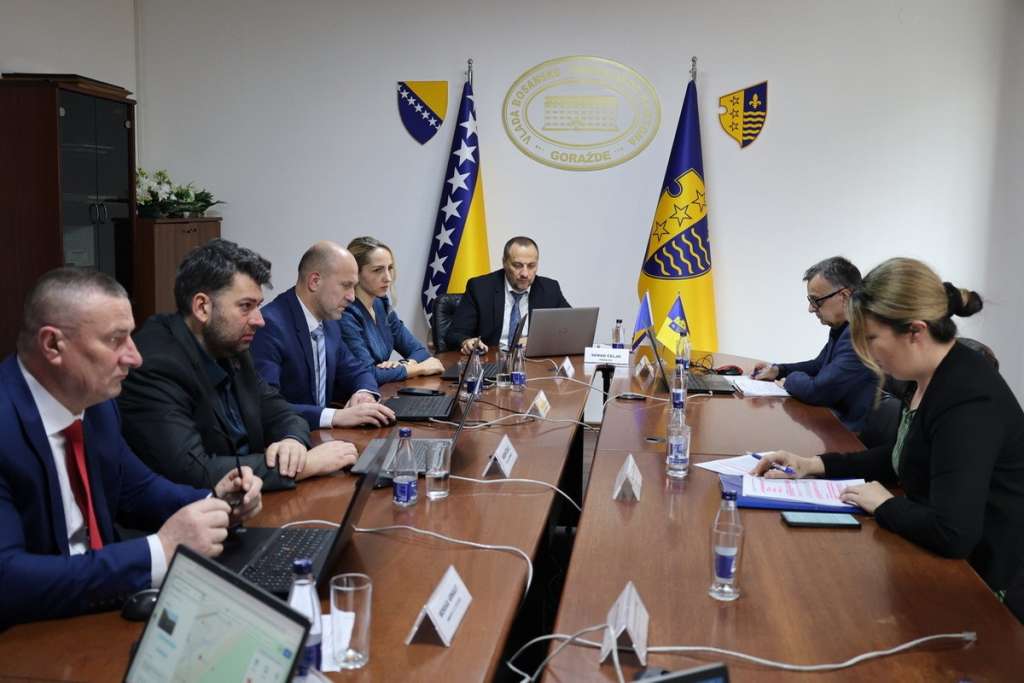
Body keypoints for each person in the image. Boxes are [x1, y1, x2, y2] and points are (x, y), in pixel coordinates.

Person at [0, 268, 263, 628]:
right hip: (29, 632)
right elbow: (8, 579)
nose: (135, 357)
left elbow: (136, 489)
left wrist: (215, 503)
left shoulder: (97, 405)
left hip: (100, 609)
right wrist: (159, 551)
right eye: (115, 340)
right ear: (52, 345)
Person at [753, 258, 1024, 594]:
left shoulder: (967, 399)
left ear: (915, 331)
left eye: (871, 338)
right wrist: (813, 465)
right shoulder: (925, 377)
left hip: (988, 585)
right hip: (942, 560)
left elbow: (954, 533)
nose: (864, 351)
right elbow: (903, 454)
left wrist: (885, 504)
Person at [119, 239, 356, 492]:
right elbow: (192, 471)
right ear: (202, 307)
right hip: (194, 510)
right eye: (245, 306)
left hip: (249, 500)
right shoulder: (155, 364)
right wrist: (304, 465)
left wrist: (292, 442)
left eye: (258, 306)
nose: (259, 320)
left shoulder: (230, 345)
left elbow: (281, 412)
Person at [251, 240, 396, 428]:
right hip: (286, 439)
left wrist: (364, 394)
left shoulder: (329, 321)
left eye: (354, 287)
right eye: (346, 285)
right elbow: (266, 407)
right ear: (314, 282)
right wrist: (334, 416)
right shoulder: (270, 325)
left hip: (323, 436)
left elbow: (357, 371)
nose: (352, 297)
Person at [751, 256, 876, 432]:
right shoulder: (843, 327)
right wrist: (778, 370)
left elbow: (817, 391)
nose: (811, 309)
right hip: (832, 423)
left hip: (849, 435)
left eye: (816, 301)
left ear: (844, 296)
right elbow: (819, 365)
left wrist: (788, 380)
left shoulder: (858, 334)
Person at [340, 236, 444, 384]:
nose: (388, 278)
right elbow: (367, 374)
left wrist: (403, 364)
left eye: (389, 268)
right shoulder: (345, 314)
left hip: (382, 390)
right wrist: (418, 368)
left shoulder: (381, 305)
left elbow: (419, 351)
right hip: (353, 395)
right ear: (356, 272)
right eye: (377, 270)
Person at [445, 236, 570, 354]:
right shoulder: (480, 288)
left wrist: (535, 342)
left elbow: (569, 329)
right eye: (517, 265)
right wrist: (466, 342)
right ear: (504, 262)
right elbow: (454, 334)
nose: (525, 273)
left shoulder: (549, 289)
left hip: (533, 362)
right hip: (492, 360)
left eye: (531, 266)